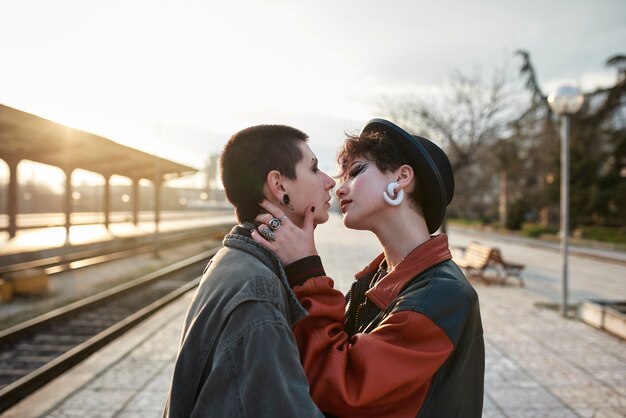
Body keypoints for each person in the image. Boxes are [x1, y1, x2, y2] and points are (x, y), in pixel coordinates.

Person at [252, 119, 485, 417]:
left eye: (357, 171)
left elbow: (344, 387)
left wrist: (307, 272)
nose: (339, 188)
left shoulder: (442, 295)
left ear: (401, 178)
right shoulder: (378, 278)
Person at [163, 125, 335, 417]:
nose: (330, 182)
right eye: (315, 168)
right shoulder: (257, 295)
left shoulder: (234, 259)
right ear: (279, 186)